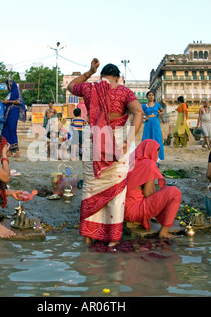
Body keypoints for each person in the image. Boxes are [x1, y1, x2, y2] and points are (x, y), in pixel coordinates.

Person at [67, 58, 144, 247]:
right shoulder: (124, 91)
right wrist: (128, 141)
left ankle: (88, 237)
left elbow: (70, 86)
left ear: (101, 76)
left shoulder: (89, 88)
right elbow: (139, 113)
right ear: (118, 77)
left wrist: (89, 71)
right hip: (118, 142)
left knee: (91, 188)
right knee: (116, 191)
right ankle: (113, 239)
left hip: (93, 139)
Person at [125, 139, 181, 238]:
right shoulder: (148, 164)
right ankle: (164, 233)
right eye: (157, 153)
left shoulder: (130, 161)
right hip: (133, 211)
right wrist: (162, 200)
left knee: (163, 195)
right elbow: (148, 193)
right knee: (174, 192)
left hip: (121, 210)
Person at [0, 78, 27, 158]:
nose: (7, 86)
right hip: (8, 114)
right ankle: (10, 151)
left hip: (13, 112)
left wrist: (7, 102)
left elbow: (19, 101)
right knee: (6, 131)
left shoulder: (16, 92)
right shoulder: (10, 93)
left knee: (12, 130)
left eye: (8, 85)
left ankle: (17, 151)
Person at [141, 91, 165, 161]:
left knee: (157, 138)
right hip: (148, 123)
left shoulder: (157, 104)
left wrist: (160, 113)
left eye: (152, 95)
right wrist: (144, 117)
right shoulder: (144, 106)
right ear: (147, 97)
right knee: (147, 138)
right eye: (149, 95)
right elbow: (140, 113)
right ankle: (146, 156)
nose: (151, 96)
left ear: (154, 97)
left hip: (156, 123)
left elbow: (163, 111)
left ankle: (158, 157)